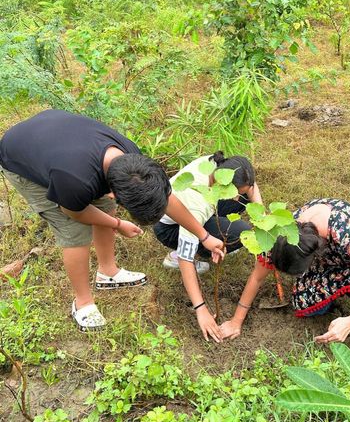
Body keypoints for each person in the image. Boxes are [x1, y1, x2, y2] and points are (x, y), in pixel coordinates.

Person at [0, 110, 225, 331]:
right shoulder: (74, 182)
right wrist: (117, 225)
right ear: (115, 193)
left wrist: (203, 236)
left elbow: (165, 196)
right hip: (18, 153)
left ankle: (108, 272)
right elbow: (75, 213)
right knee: (74, 231)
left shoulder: (134, 162)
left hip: (55, 133)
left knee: (104, 209)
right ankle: (83, 303)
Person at [220, 198, 350, 361]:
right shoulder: (282, 234)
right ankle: (339, 297)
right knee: (304, 301)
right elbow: (257, 277)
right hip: (333, 257)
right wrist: (236, 321)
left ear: (313, 256)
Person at [154, 151, 262, 343]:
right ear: (224, 185)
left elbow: (250, 185)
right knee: (239, 232)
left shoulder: (219, 165)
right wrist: (201, 309)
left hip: (201, 205)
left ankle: (209, 231)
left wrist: (261, 219)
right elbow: (185, 260)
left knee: (245, 201)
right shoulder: (196, 205)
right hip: (170, 227)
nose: (238, 198)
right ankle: (174, 255)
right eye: (237, 192)